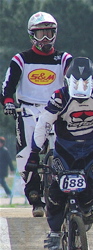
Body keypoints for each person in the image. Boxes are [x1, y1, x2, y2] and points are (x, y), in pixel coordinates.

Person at [25, 57, 93, 250]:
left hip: (90, 146)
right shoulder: (59, 96)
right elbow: (43, 123)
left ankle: (85, 211)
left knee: (89, 190)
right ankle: (54, 232)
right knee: (57, 192)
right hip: (65, 148)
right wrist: (34, 153)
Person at [2, 12, 72, 217]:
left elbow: (76, 77)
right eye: (41, 34)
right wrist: (7, 102)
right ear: (32, 35)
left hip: (56, 108)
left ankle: (63, 189)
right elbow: (8, 87)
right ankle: (34, 194)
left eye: (50, 33)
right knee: (26, 152)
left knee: (66, 148)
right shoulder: (21, 59)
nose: (46, 39)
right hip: (28, 109)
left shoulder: (64, 58)